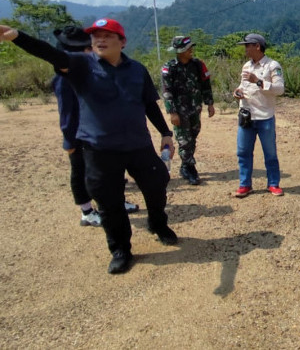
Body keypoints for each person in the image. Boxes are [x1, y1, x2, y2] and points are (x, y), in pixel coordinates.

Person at [0, 18, 177, 274]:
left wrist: (165, 133)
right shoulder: (80, 64)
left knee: (157, 184)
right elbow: (49, 53)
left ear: (122, 42)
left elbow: (149, 103)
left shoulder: (137, 70)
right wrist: (17, 36)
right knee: (109, 202)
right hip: (99, 149)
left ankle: (158, 224)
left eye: (107, 35)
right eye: (96, 36)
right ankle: (120, 250)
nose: (100, 40)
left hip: (138, 145)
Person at [52, 26, 140, 228]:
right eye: (87, 48)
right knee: (82, 171)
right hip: (80, 134)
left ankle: (116, 202)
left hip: (101, 133)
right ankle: (87, 211)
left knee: (111, 170)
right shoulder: (65, 77)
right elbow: (66, 111)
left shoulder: (93, 70)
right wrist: (69, 139)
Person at [233, 33, 285, 198]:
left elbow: (279, 89)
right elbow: (242, 85)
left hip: (264, 117)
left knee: (270, 153)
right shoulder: (246, 66)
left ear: (257, 46)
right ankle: (245, 185)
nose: (245, 48)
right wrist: (238, 92)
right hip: (247, 115)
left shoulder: (272, 66)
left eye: (248, 45)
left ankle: (273, 184)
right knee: (243, 151)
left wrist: (258, 81)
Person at [162, 35, 215, 184]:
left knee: (193, 136)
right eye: (187, 48)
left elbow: (206, 84)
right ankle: (189, 167)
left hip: (195, 108)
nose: (191, 50)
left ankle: (186, 164)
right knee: (184, 139)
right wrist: (172, 112)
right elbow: (167, 92)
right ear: (179, 51)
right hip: (180, 111)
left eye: (191, 47)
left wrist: (209, 104)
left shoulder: (198, 65)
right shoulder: (170, 67)